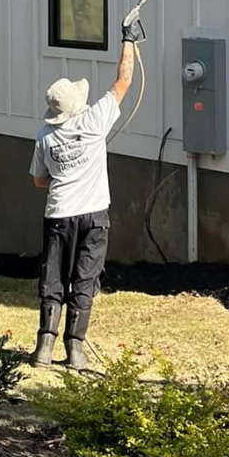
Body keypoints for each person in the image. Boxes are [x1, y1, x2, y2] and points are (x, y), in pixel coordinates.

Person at [28, 19, 142, 369]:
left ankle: (44, 349)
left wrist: (65, 172)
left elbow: (39, 181)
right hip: (94, 216)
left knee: (53, 279)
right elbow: (123, 80)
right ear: (78, 105)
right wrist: (128, 39)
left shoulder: (45, 136)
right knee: (85, 279)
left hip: (59, 215)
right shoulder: (95, 121)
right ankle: (75, 350)